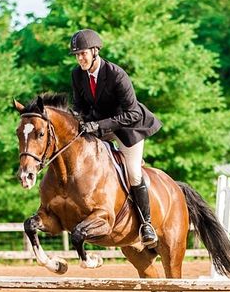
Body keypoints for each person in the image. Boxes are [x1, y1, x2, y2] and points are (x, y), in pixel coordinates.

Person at [69, 28, 162, 248]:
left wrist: (98, 125)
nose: (80, 58)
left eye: (83, 53)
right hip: (99, 128)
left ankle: (146, 224)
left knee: (133, 172)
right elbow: (79, 107)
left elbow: (133, 113)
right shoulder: (77, 74)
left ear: (95, 51)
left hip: (128, 129)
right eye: (77, 54)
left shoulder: (116, 74)